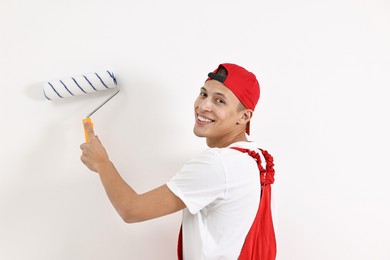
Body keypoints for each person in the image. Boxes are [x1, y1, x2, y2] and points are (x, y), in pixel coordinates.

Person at [80, 63, 276, 259]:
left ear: (244, 117)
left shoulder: (218, 164)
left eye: (219, 101)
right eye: (203, 94)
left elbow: (131, 209)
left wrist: (102, 163)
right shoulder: (252, 158)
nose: (204, 106)